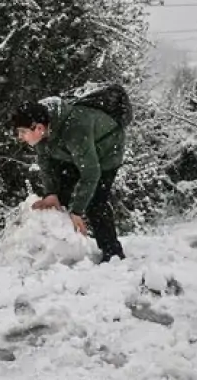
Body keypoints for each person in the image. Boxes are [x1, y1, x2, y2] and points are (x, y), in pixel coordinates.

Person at [11, 97, 126, 263]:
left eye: (22, 132)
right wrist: (51, 192)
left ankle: (113, 253)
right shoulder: (42, 132)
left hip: (107, 150)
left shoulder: (75, 129)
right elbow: (45, 164)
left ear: (39, 128)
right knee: (60, 195)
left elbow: (91, 173)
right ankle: (61, 249)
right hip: (72, 151)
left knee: (96, 201)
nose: (20, 137)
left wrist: (77, 211)